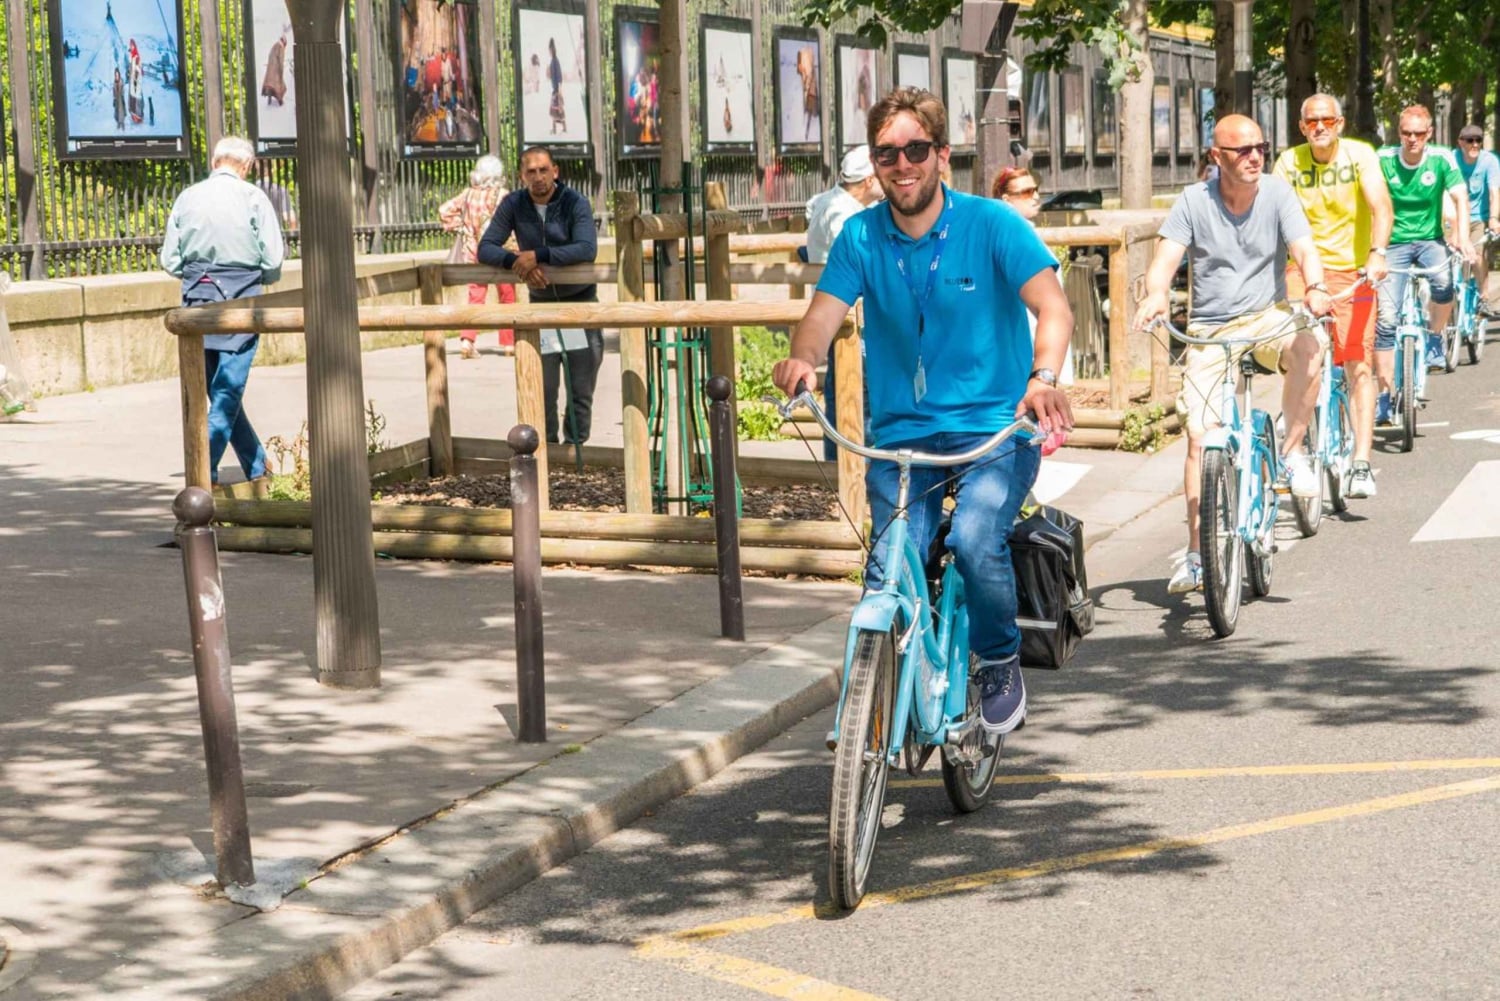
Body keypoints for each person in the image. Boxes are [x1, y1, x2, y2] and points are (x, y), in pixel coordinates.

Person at [772, 88, 1074, 735]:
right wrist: (802, 360)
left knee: (971, 538)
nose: (901, 164)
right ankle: (878, 700)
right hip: (903, 440)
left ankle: (996, 658)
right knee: (888, 569)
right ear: (874, 161)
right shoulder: (859, 236)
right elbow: (820, 319)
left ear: (940, 154)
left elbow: (1054, 306)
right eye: (887, 153)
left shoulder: (991, 224)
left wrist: (1042, 378)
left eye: (914, 149)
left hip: (995, 430)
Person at [1133, 115, 1333, 595]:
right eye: (1241, 150)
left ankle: (1291, 453)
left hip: (1267, 317)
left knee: (1311, 343)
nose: (1254, 156)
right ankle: (1198, 556)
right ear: (1215, 156)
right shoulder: (1193, 201)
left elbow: (1304, 249)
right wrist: (1157, 294)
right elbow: (1164, 260)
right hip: (1211, 329)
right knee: (1200, 440)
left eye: (1260, 147)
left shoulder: (1277, 193)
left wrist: (1317, 286)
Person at [1273, 93, 1392, 499]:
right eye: (1311, 122)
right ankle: (1295, 452)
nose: (1319, 127)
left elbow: (1381, 207)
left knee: (1358, 363)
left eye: (1327, 120)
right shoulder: (1288, 163)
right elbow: (1272, 214)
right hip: (1302, 272)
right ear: (1301, 126)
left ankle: (1361, 462)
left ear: (1339, 123)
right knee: (1299, 356)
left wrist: (1377, 254)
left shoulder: (1360, 156)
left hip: (1353, 272)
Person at [160, 136, 285, 491]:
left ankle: (257, 464)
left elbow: (170, 260)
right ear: (246, 166)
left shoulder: (188, 197)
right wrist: (263, 277)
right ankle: (203, 473)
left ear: (215, 162)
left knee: (221, 393)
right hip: (242, 301)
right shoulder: (253, 197)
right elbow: (273, 260)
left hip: (197, 302)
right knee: (227, 392)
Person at [477, 145, 602, 444]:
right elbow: (486, 247)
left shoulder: (575, 203)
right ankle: (547, 455)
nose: (538, 177)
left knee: (580, 391)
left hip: (579, 307)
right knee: (543, 390)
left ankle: (576, 452)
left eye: (544, 170)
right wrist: (518, 263)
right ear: (522, 176)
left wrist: (538, 255)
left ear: (555, 172)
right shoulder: (513, 204)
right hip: (541, 309)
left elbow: (587, 248)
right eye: (530, 171)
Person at [1375, 105, 1474, 411]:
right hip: (1392, 243)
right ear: (1398, 132)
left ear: (1429, 133)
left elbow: (1460, 197)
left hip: (1430, 240)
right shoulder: (1383, 159)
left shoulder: (1441, 158)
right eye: (1406, 133)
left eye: (1419, 133)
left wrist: (1462, 235)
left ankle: (1434, 336)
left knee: (1444, 284)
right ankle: (1383, 396)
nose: (1412, 139)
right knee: (1386, 319)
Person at [804, 145, 884, 459]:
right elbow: (856, 262)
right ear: (868, 180)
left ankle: (842, 462)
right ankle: (855, 467)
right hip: (850, 314)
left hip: (840, 313)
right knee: (859, 395)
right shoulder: (844, 215)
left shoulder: (831, 203)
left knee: (844, 392)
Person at [993, 166, 1076, 386]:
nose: (1036, 197)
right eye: (1027, 192)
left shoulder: (1030, 233)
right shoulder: (1005, 239)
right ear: (1007, 199)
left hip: (1046, 335)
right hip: (1025, 344)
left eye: (1036, 190)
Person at [439, 154, 517, 359]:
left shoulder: (467, 195)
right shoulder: (503, 195)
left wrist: (463, 228)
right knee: (507, 297)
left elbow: (444, 211)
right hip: (501, 253)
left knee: (475, 297)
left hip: (474, 253)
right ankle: (509, 344)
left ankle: (467, 340)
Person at [1454, 124, 1500, 316]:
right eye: (1469, 140)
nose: (1474, 145)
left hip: (1478, 218)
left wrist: (1494, 218)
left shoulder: (1489, 161)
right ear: (1460, 142)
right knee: (1451, 259)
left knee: (1476, 255)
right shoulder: (1452, 159)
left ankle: (1483, 299)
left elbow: (1494, 193)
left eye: (1478, 141)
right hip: (1455, 217)